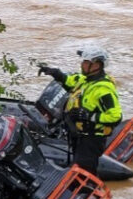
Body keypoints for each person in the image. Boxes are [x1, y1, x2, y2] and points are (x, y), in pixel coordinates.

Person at [38, 44, 123, 175]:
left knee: (82, 173)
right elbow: (69, 80)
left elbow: (115, 116)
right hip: (79, 136)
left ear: (96, 65)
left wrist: (89, 116)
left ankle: (87, 194)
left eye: (85, 62)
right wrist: (54, 73)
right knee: (78, 169)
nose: (82, 64)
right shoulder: (84, 80)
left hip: (91, 139)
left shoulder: (103, 90)